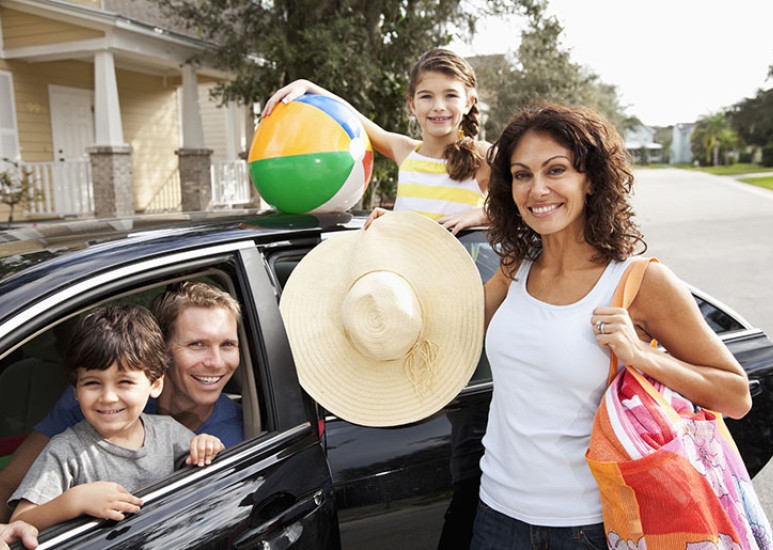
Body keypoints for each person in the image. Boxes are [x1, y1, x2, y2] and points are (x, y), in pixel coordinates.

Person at [471, 104, 752, 549]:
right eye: (522, 175)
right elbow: (452, 336)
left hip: (591, 525)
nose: (537, 189)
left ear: (592, 179)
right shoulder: (515, 267)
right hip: (497, 514)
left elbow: (736, 395)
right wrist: (403, 235)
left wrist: (642, 356)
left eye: (556, 170)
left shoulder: (638, 281)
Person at [0, 281, 243, 522]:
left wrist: (207, 446)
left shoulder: (230, 429)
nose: (216, 362)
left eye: (228, 345)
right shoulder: (81, 420)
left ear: (154, 383)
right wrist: (73, 501)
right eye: (197, 344)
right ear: (164, 351)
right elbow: (11, 490)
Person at [262, 48, 491, 234]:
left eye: (450, 95)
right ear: (412, 104)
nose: (438, 105)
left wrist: (482, 215)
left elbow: (525, 200)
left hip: (460, 285)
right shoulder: (405, 152)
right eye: (426, 96)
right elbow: (351, 116)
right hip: (404, 283)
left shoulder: (483, 155)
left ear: (469, 102)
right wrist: (308, 86)